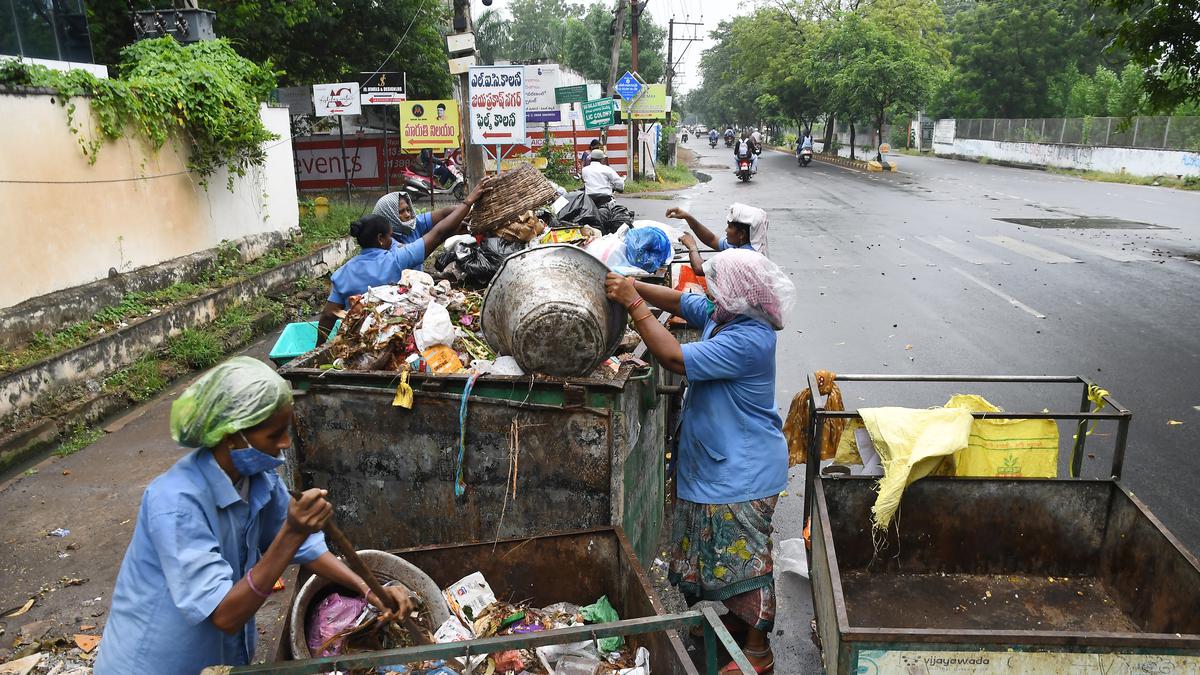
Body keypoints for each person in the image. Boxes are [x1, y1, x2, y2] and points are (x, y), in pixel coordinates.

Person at [95, 357, 413, 674]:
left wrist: (369, 590)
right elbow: (225, 615)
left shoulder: (258, 479)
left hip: (217, 660)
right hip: (154, 663)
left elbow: (308, 549)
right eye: (274, 435)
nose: (285, 443)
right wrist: (292, 532)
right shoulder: (176, 503)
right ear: (233, 435)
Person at [604, 249, 794, 674]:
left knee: (746, 561)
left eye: (715, 284)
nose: (708, 291)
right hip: (717, 463)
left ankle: (758, 650)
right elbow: (677, 300)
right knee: (716, 554)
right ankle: (731, 622)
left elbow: (674, 358)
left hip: (743, 471)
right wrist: (631, 285)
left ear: (738, 295)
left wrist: (633, 304)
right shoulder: (723, 314)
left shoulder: (750, 338)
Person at [319, 178, 494, 341]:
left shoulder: (342, 273)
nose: (392, 241)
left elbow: (328, 315)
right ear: (380, 238)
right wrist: (468, 201)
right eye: (389, 237)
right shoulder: (396, 258)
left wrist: (318, 350)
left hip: (357, 341)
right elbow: (439, 233)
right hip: (396, 337)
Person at [668, 203, 770, 275]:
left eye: (729, 227)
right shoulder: (744, 244)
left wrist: (692, 246)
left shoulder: (740, 258)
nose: (726, 230)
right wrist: (688, 217)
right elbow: (712, 239)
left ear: (742, 234)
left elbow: (700, 269)